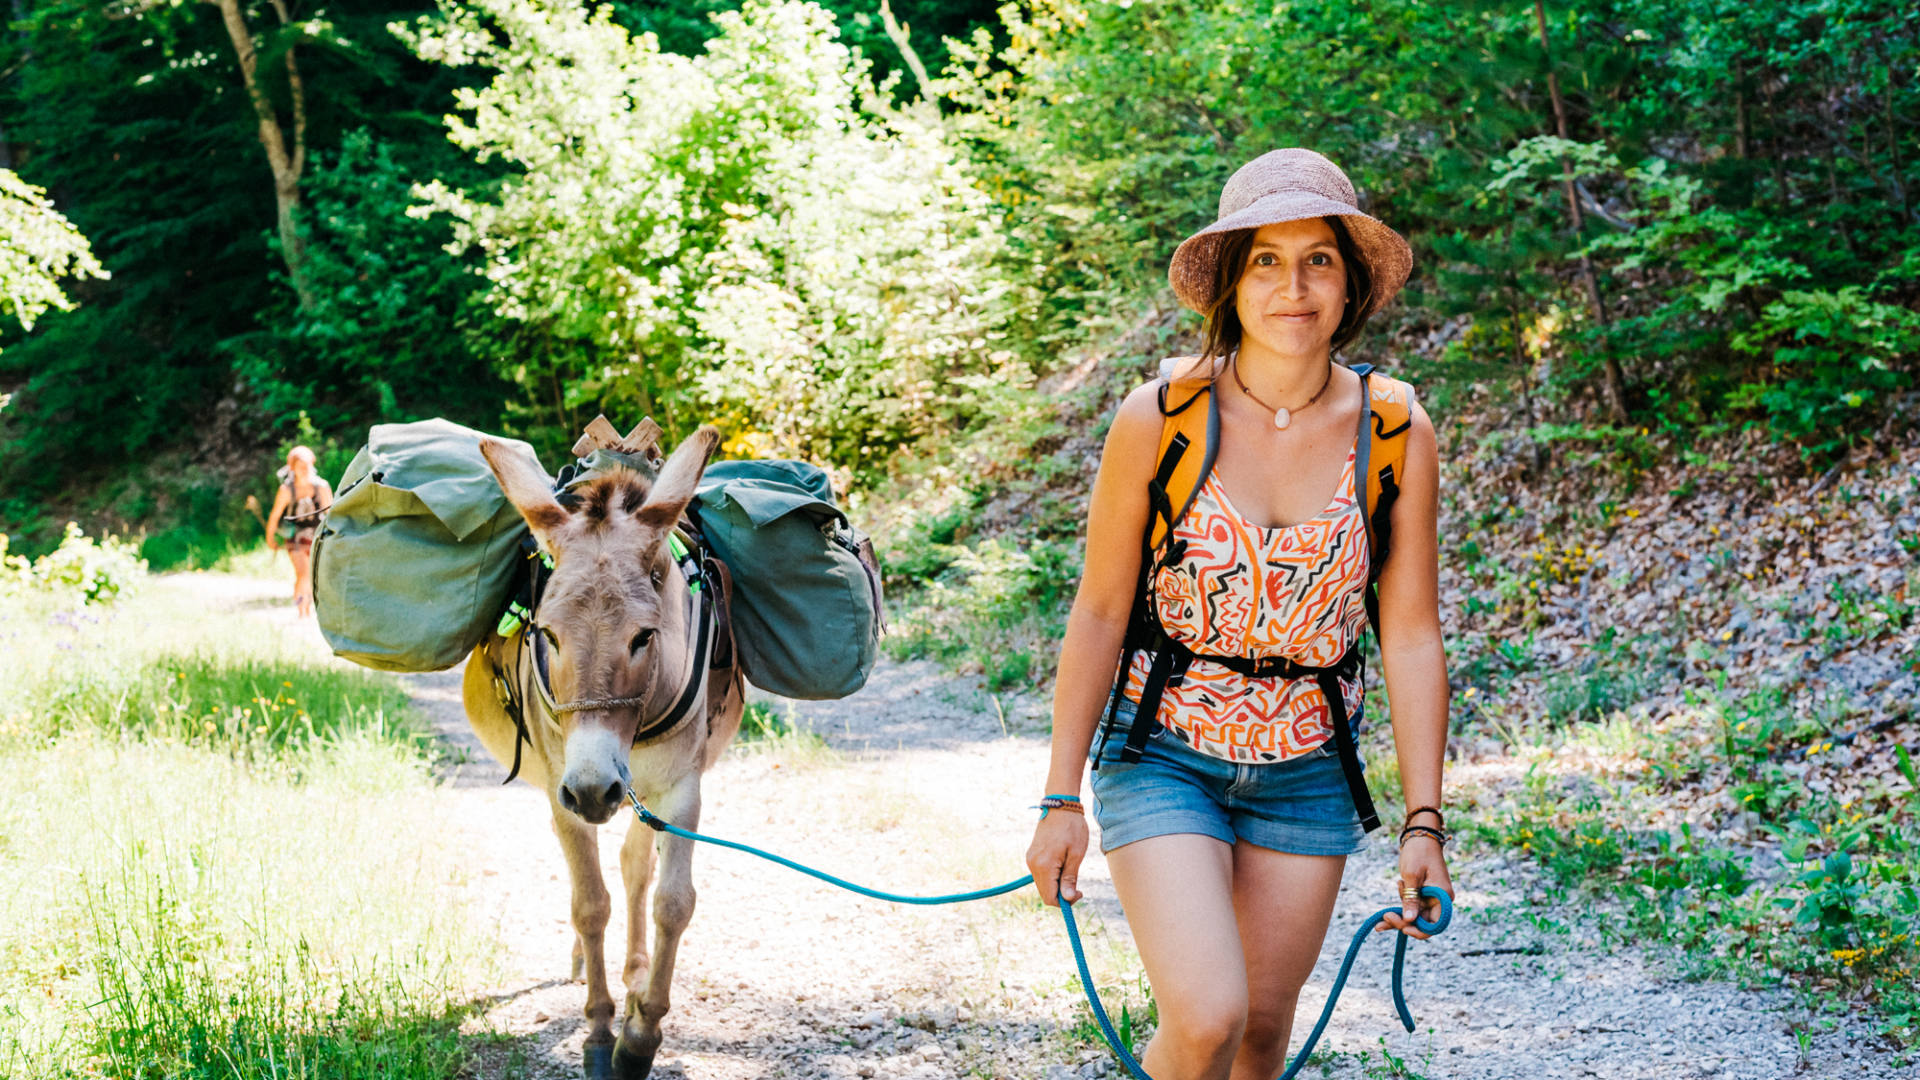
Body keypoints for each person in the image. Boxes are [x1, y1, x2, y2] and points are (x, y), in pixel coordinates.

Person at [1025, 148, 1454, 1080]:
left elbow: (1412, 633)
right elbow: (1100, 611)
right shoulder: (1162, 417)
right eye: (1266, 260)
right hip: (1164, 751)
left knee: (1262, 1034)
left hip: (1310, 770)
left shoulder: (1394, 429)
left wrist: (1425, 822)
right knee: (1209, 1015)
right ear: (1230, 281)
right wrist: (1061, 797)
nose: (1292, 287)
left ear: (1350, 288)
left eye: (1318, 261)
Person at [265, 445, 332, 617]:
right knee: (302, 573)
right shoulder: (286, 490)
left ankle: (306, 607)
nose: (304, 470)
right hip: (294, 538)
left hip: (317, 537)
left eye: (307, 465)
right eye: (300, 466)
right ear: (292, 468)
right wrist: (270, 538)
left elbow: (331, 514)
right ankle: (301, 610)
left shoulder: (322, 487)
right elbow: (275, 515)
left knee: (312, 576)